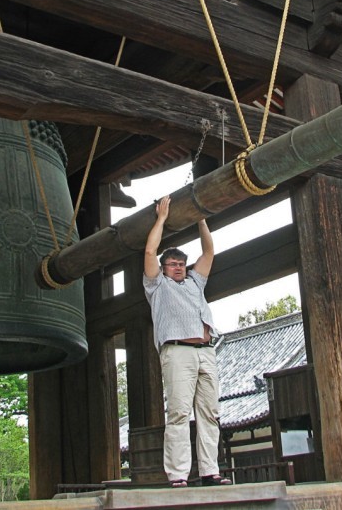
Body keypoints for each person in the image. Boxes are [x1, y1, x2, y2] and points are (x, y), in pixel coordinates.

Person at [143, 195, 232, 488]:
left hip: (207, 351)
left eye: (181, 263)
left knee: (210, 413)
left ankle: (210, 471)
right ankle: (179, 474)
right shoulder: (157, 285)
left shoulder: (195, 281)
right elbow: (149, 250)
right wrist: (161, 219)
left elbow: (209, 251)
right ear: (164, 268)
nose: (178, 267)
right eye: (172, 264)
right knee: (179, 412)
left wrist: (200, 218)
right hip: (177, 351)